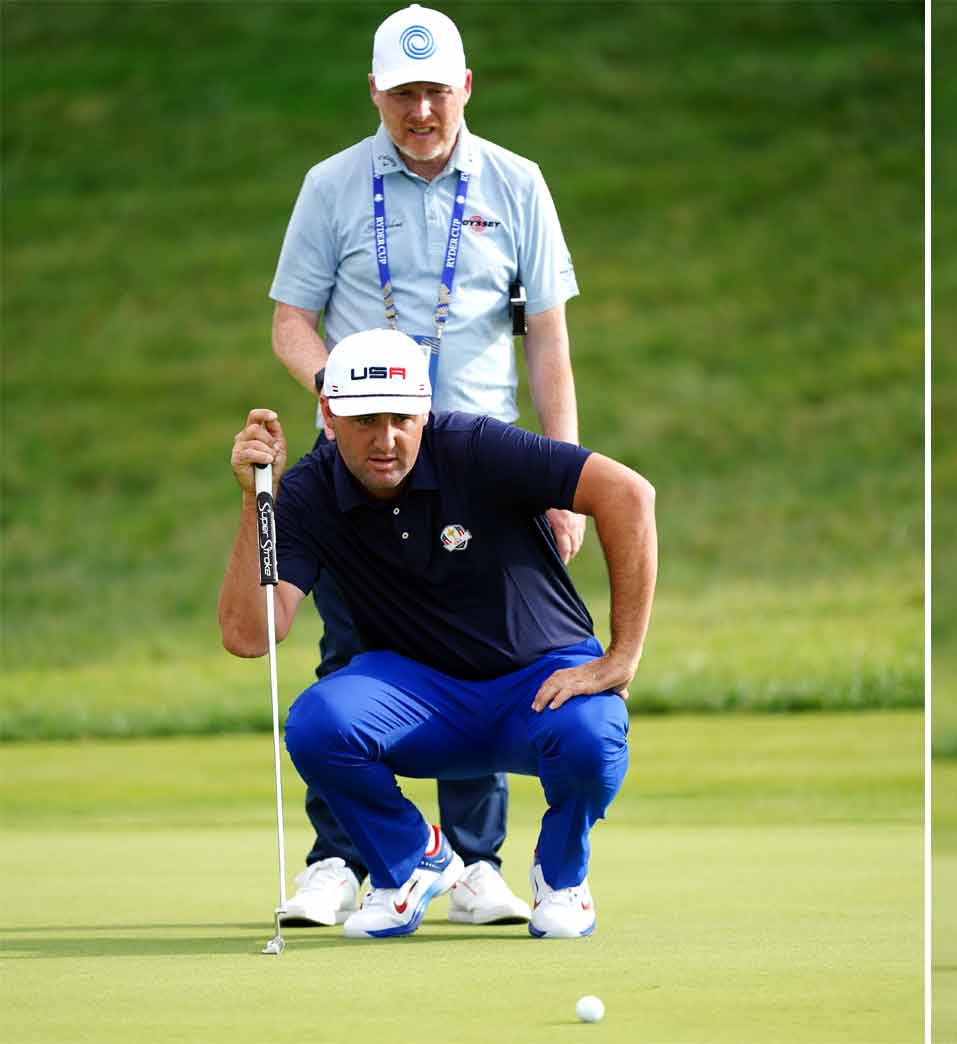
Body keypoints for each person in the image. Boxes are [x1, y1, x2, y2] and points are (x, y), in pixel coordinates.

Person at [267, 3, 586, 928]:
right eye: (402, 92)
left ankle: (476, 862)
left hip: (484, 463)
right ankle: (341, 857)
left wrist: (563, 481)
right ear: (374, 90)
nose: (420, 110)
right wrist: (342, 388)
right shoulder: (331, 185)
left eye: (436, 91)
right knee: (350, 649)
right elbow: (291, 318)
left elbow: (549, 343)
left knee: (486, 649)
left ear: (466, 88)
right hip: (365, 461)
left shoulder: (517, 182)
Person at [218, 328, 655, 939]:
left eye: (402, 418)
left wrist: (622, 657)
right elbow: (249, 634)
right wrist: (255, 503)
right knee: (319, 722)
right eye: (365, 420)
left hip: (537, 682)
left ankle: (562, 879)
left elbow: (629, 495)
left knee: (592, 735)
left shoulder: (476, 446)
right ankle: (412, 861)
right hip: (421, 700)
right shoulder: (308, 492)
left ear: (426, 408)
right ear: (327, 413)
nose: (386, 439)